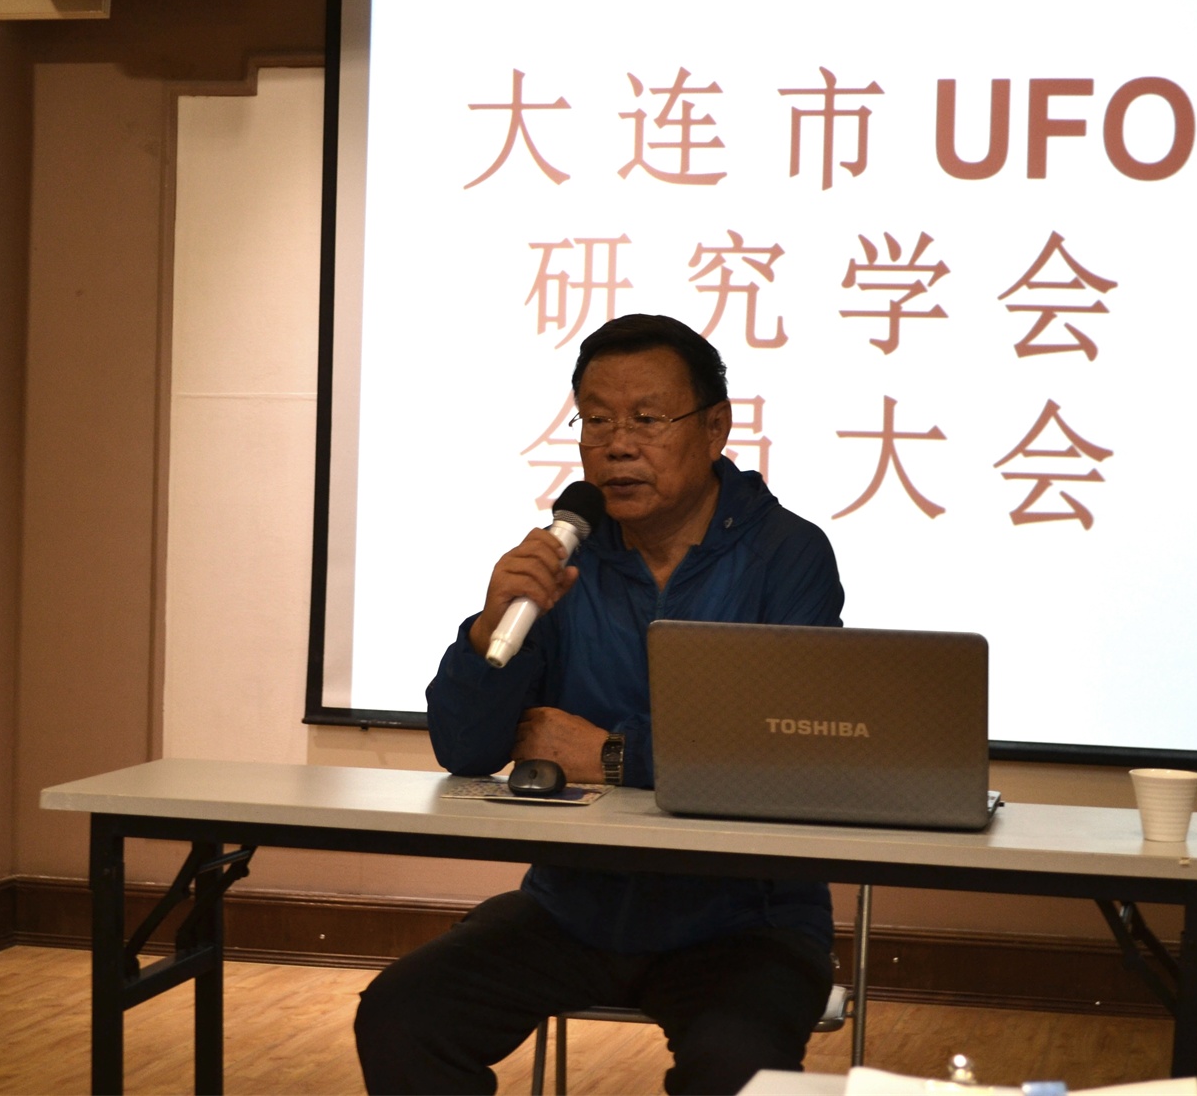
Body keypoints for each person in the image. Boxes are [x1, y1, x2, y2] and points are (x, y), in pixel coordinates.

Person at [355, 314, 845, 1096]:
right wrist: (488, 631)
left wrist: (613, 757)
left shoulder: (786, 555)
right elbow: (466, 748)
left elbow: (785, 754)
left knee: (733, 1070)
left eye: (646, 420)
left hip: (745, 920)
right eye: (595, 421)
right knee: (401, 1016)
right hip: (574, 909)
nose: (617, 446)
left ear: (715, 427)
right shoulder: (563, 561)